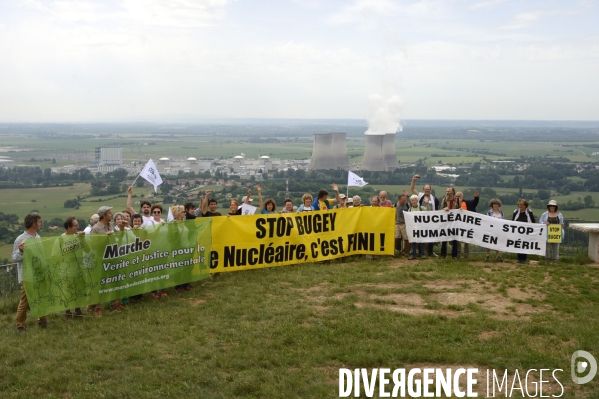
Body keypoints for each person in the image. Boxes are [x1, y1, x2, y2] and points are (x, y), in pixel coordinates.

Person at [14, 212, 46, 333]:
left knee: (41, 298)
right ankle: (20, 325)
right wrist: (21, 252)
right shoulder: (20, 239)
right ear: (33, 224)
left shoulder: (37, 237)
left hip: (39, 273)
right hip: (27, 276)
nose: (40, 224)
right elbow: (14, 257)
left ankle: (42, 320)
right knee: (25, 302)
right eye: (39, 222)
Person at [89, 206, 121, 316]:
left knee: (115, 280)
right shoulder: (96, 229)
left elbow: (119, 236)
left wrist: (122, 227)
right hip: (100, 259)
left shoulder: (111, 225)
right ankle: (97, 306)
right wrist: (104, 237)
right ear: (103, 215)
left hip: (112, 257)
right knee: (100, 283)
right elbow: (93, 245)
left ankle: (116, 302)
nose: (111, 215)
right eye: (109, 213)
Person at [62, 217, 85, 321]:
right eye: (75, 225)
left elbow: (87, 249)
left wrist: (82, 239)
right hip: (66, 268)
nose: (78, 227)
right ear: (68, 227)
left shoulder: (78, 236)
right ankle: (67, 312)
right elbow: (56, 254)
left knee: (78, 289)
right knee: (67, 290)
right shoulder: (61, 238)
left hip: (78, 267)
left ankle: (77, 310)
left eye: (77, 225)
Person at [410, 175, 439, 256]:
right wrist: (413, 180)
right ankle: (421, 252)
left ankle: (430, 252)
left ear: (430, 190)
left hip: (431, 219)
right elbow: (412, 189)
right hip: (420, 220)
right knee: (420, 236)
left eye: (428, 189)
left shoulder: (434, 198)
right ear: (423, 190)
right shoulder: (420, 195)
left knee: (431, 236)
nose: (427, 190)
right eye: (425, 189)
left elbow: (436, 209)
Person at [456, 190, 479, 258]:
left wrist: (476, 197)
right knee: (457, 240)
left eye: (459, 196)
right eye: (456, 196)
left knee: (466, 239)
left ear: (462, 196)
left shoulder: (468, 202)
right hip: (457, 224)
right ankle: (458, 254)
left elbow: (475, 203)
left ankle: (466, 254)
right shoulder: (453, 204)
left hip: (467, 224)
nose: (457, 197)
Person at [539, 200, 564, 264]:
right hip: (547, 233)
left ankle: (554, 260)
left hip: (556, 234)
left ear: (556, 207)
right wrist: (544, 223)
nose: (552, 207)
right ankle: (547, 260)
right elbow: (540, 221)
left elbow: (561, 223)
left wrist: (562, 225)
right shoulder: (544, 214)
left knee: (556, 248)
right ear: (548, 207)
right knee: (547, 248)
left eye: (553, 206)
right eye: (550, 206)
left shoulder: (559, 214)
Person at [512, 198, 536, 264]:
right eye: (519, 204)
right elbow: (512, 221)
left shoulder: (529, 212)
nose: (520, 206)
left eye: (521, 205)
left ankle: (524, 259)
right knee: (518, 245)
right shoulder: (516, 212)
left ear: (525, 205)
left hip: (526, 232)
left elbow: (533, 221)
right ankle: (519, 258)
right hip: (518, 232)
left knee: (525, 245)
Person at [440, 186, 460, 259]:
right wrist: (444, 208)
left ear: (453, 192)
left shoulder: (457, 200)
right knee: (444, 238)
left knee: (454, 239)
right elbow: (441, 209)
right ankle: (443, 254)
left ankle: (454, 255)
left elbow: (460, 209)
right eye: (447, 191)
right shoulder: (444, 200)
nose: (447, 193)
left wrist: (460, 209)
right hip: (446, 222)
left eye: (449, 191)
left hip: (454, 222)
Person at [407, 195, 429, 260]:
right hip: (413, 228)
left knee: (421, 241)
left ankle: (422, 254)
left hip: (420, 227)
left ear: (417, 201)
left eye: (414, 200)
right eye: (412, 200)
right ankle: (413, 254)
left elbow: (428, 212)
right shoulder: (410, 209)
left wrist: (427, 204)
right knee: (413, 242)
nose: (413, 201)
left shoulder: (422, 208)